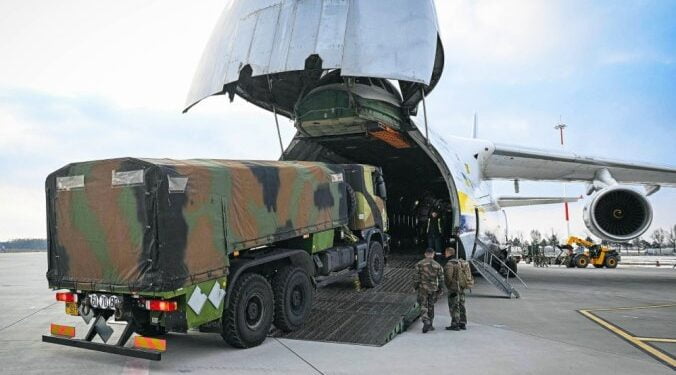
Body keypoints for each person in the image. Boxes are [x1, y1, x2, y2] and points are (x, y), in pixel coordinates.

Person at [413, 248, 444, 333]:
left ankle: (425, 320)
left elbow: (416, 278)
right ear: (433, 254)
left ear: (425, 254)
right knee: (431, 306)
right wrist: (441, 289)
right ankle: (430, 325)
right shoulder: (438, 265)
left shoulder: (419, 264)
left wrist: (415, 287)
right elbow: (441, 279)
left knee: (423, 305)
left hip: (422, 288)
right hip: (433, 288)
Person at [443, 247, 468, 331]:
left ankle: (455, 324)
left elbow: (448, 277)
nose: (445, 254)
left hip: (453, 288)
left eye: (445, 252)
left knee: (454, 306)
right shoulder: (460, 262)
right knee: (461, 304)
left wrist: (449, 287)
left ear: (448, 253)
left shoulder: (449, 264)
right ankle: (462, 323)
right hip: (461, 287)